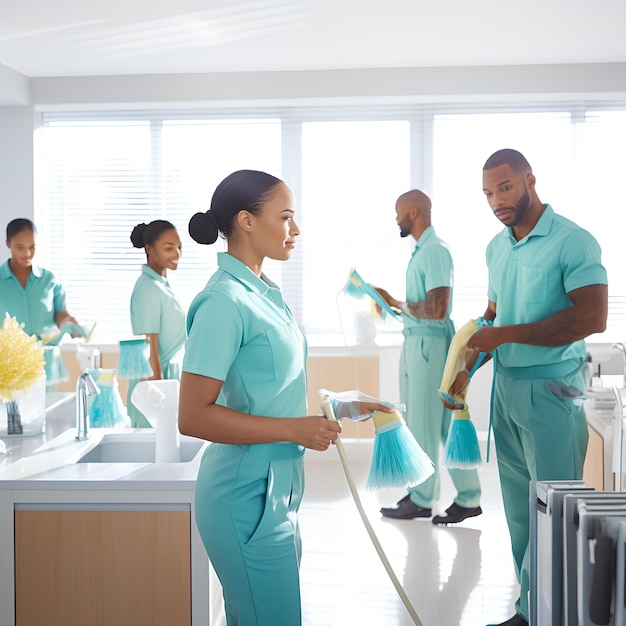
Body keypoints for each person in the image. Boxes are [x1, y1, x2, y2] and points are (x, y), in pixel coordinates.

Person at [178, 170, 391, 626]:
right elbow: (193, 416)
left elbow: (266, 390)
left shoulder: (265, 295)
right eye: (287, 217)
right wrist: (293, 430)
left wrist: (339, 405)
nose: (296, 230)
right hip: (243, 494)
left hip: (280, 490)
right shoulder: (223, 303)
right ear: (247, 221)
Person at [449, 149, 608, 626]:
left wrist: (503, 336)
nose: (496, 200)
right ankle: (533, 607)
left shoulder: (573, 241)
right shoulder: (497, 247)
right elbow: (496, 315)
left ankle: (555, 610)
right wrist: (469, 365)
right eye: (487, 193)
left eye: (505, 187)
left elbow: (591, 318)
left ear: (529, 180)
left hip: (555, 391)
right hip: (508, 391)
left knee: (555, 510)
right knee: (521, 513)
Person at [373, 190, 483, 525]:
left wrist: (396, 302)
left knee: (425, 424)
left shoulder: (434, 250)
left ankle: (423, 499)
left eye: (398, 211)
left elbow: (437, 310)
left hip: (429, 346)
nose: (395, 218)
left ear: (415, 211)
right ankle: (467, 498)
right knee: (441, 426)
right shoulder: (422, 252)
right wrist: (395, 305)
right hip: (417, 343)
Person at [0, 218, 81, 387]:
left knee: (47, 412)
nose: (27, 254)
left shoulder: (50, 280)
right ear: (8, 244)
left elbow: (60, 313)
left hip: (47, 364)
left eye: (32, 247)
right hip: (9, 366)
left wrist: (68, 323)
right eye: (20, 247)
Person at [128, 220, 186, 427]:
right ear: (149, 249)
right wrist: (160, 396)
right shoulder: (148, 289)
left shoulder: (161, 285)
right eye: (169, 248)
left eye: (179, 247)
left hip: (166, 379)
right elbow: (149, 345)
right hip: (154, 387)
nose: (177, 254)